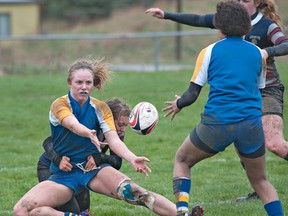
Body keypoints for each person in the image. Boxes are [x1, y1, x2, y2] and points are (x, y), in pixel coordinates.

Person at [146, 0, 288, 202]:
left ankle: (184, 208)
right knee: (242, 140)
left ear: (257, 3)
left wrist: (267, 52)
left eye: (245, 0)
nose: (240, 3)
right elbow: (197, 19)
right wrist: (167, 14)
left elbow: (286, 44)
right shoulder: (232, 19)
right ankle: (259, 190)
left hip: (267, 89)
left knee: (274, 143)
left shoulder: (266, 26)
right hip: (246, 93)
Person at [14, 56, 178, 216]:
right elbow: (71, 123)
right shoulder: (59, 104)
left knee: (138, 194)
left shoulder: (101, 108)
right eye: (79, 82)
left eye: (88, 83)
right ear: (69, 83)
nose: (84, 87)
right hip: (63, 176)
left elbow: (114, 140)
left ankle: (184, 214)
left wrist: (132, 158)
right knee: (22, 210)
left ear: (93, 84)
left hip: (93, 171)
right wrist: (88, 132)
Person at [36, 98, 131, 216]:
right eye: (121, 124)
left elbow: (117, 162)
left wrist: (99, 157)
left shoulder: (116, 133)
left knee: (84, 213)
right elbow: (48, 141)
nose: (123, 129)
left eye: (126, 125)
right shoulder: (86, 125)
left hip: (78, 171)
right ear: (108, 119)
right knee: (72, 212)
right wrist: (58, 159)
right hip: (50, 167)